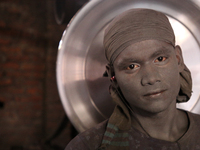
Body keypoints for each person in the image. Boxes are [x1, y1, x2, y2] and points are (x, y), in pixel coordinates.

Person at [65, 8, 200, 150]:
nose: (151, 78)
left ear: (178, 59)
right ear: (113, 76)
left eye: (160, 59)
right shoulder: (88, 146)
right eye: (131, 66)